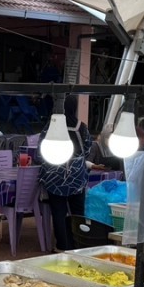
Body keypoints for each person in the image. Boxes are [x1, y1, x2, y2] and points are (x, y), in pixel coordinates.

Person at [39, 94, 92, 251]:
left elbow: (40, 152)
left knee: (58, 213)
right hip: (77, 178)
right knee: (78, 213)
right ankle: (79, 245)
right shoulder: (81, 127)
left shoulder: (50, 127)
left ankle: (62, 246)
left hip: (55, 178)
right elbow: (87, 150)